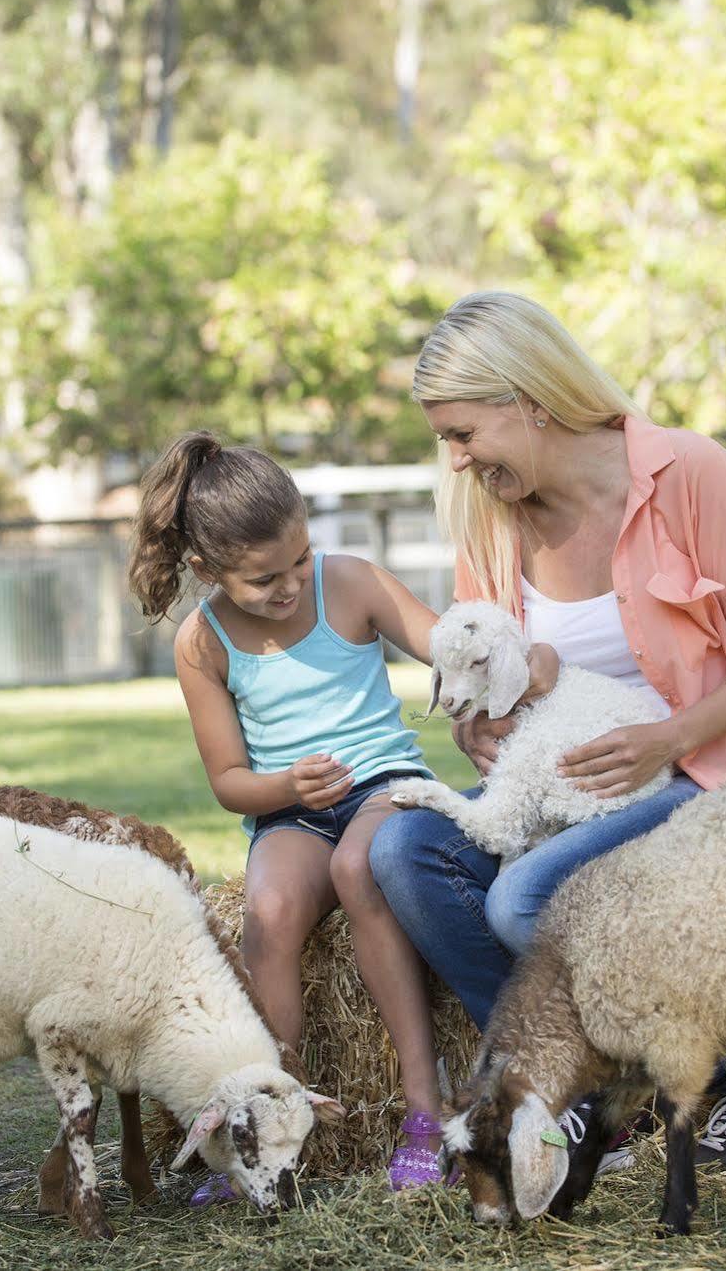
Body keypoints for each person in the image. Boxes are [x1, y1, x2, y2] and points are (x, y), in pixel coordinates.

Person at [368, 290, 726, 1176]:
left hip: (701, 779)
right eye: (443, 441)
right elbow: (486, 672)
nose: (454, 461)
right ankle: (577, 1093)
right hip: (568, 790)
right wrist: (477, 737)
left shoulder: (689, 474)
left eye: (462, 433)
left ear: (527, 399)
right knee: (401, 853)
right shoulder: (489, 518)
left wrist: (668, 738)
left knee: (523, 899)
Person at [130, 432, 460, 1197]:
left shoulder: (349, 583)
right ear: (205, 570)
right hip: (293, 807)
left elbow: (445, 647)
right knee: (269, 911)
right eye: (262, 579)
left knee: (362, 867)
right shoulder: (201, 642)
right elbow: (230, 782)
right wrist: (287, 786)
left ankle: (423, 1110)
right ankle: (273, 1118)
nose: (288, 585)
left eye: (298, 560)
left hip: (384, 785)